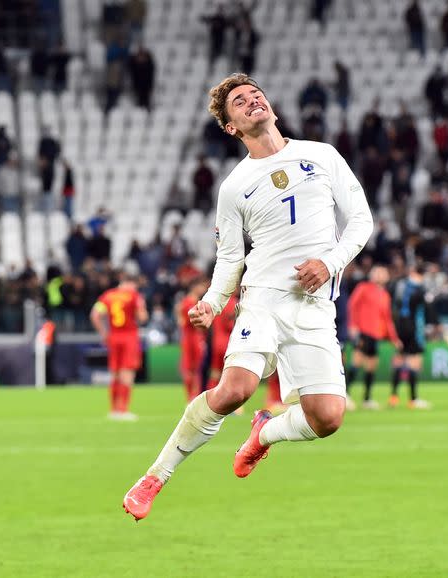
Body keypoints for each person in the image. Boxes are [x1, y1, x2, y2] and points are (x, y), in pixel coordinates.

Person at [122, 73, 373, 521]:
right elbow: (230, 258)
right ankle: (155, 476)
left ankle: (264, 434)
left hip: (315, 305)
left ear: (271, 107)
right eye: (240, 102)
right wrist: (213, 302)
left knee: (328, 419)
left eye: (256, 94)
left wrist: (330, 263)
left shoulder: (321, 155)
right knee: (235, 390)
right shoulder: (235, 186)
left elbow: (361, 222)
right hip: (263, 299)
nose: (252, 100)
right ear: (231, 127)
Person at [90, 272, 148, 420]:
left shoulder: (108, 295)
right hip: (129, 337)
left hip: (113, 337)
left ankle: (114, 410)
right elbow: (143, 317)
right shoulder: (134, 296)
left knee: (115, 373)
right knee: (127, 373)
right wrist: (141, 308)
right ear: (131, 283)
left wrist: (104, 333)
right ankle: (123, 410)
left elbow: (95, 315)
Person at [346, 266, 402, 410]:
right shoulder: (363, 287)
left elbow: (387, 318)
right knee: (356, 362)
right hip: (363, 332)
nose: (380, 275)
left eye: (383, 273)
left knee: (371, 366)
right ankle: (344, 395)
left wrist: (394, 338)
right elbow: (352, 306)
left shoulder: (385, 295)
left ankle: (367, 398)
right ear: (372, 275)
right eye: (378, 272)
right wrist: (353, 325)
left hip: (376, 335)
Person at [390, 264, 431, 409]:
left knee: (399, 361)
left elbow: (393, 305)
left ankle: (393, 397)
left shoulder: (399, 285)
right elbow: (426, 308)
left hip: (399, 326)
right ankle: (413, 399)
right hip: (413, 327)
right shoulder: (420, 289)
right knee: (414, 361)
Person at [178, 277, 209, 401]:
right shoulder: (192, 303)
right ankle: (194, 397)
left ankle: (191, 397)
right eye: (202, 286)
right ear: (195, 287)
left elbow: (180, 321)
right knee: (196, 369)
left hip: (186, 337)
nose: (204, 289)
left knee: (190, 369)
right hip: (195, 338)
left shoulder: (184, 302)